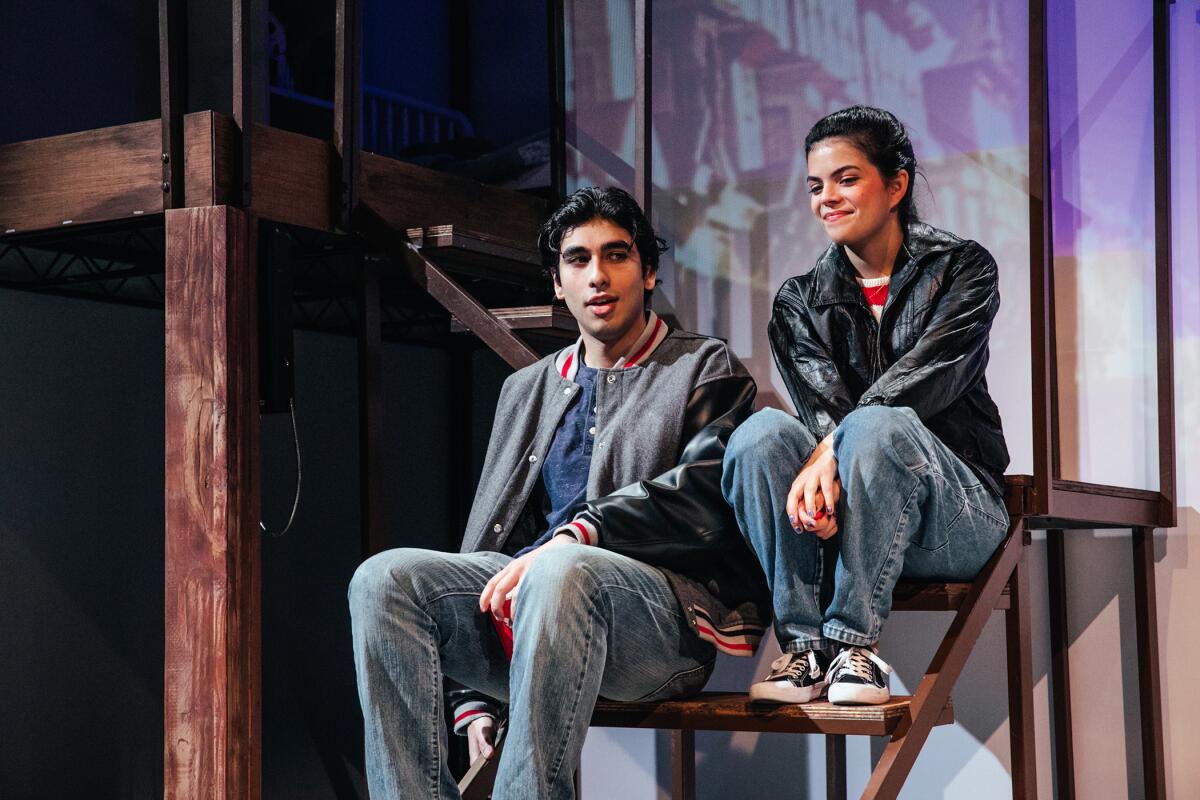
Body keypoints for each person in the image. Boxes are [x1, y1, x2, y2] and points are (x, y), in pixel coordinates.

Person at [349, 186, 770, 799]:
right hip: (536, 619)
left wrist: (581, 532)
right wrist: (472, 702)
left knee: (562, 567)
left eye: (617, 256)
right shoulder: (526, 389)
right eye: (578, 260)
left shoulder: (705, 367)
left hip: (659, 629)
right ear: (557, 283)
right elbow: (497, 542)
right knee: (383, 580)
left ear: (648, 272)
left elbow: (704, 501)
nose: (597, 276)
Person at [721, 106, 1011, 706]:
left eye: (847, 179)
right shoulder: (799, 301)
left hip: (954, 513)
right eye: (815, 186)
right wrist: (826, 489)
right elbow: (819, 408)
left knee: (879, 423)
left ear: (896, 184)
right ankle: (802, 650)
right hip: (849, 515)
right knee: (760, 435)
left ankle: (856, 645)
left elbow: (930, 378)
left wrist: (835, 450)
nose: (827, 198)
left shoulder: (961, 268)